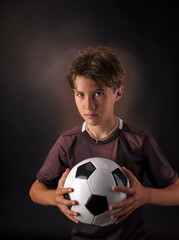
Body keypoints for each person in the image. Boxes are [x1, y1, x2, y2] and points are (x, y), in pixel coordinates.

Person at [29, 47, 179, 240]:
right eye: (80, 94)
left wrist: (146, 195)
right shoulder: (69, 141)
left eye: (98, 93)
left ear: (118, 93)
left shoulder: (138, 140)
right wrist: (54, 198)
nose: (88, 105)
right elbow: (35, 190)